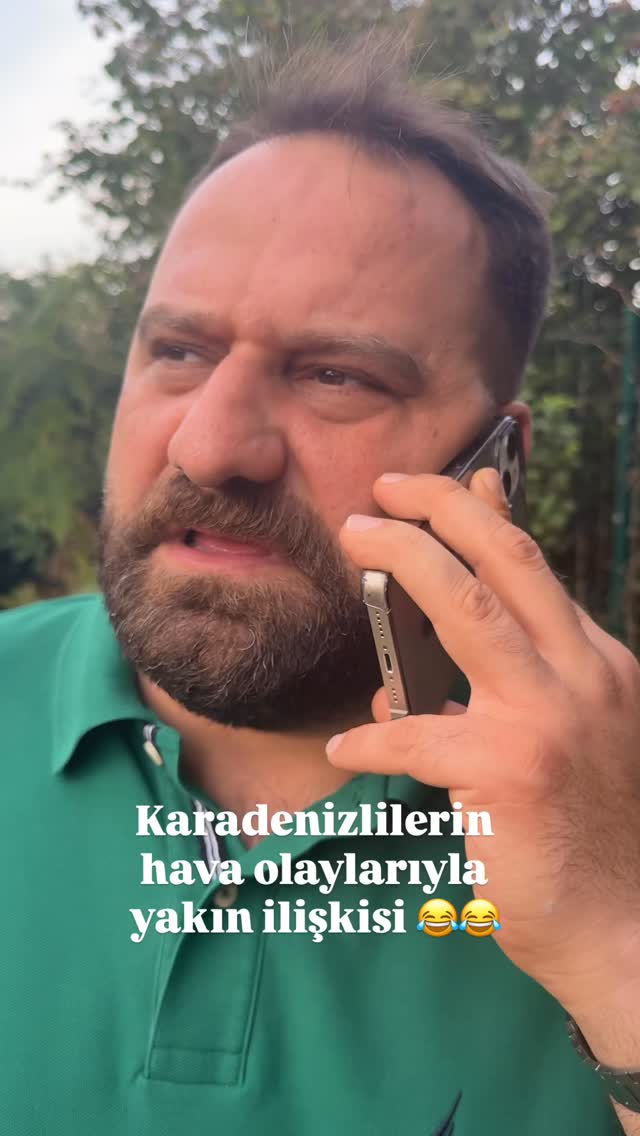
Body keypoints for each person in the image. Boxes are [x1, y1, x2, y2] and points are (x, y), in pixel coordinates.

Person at [2, 36, 639, 1136]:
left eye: (337, 374)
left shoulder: (616, 802)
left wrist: (618, 951)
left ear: (496, 465)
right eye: (179, 352)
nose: (209, 446)